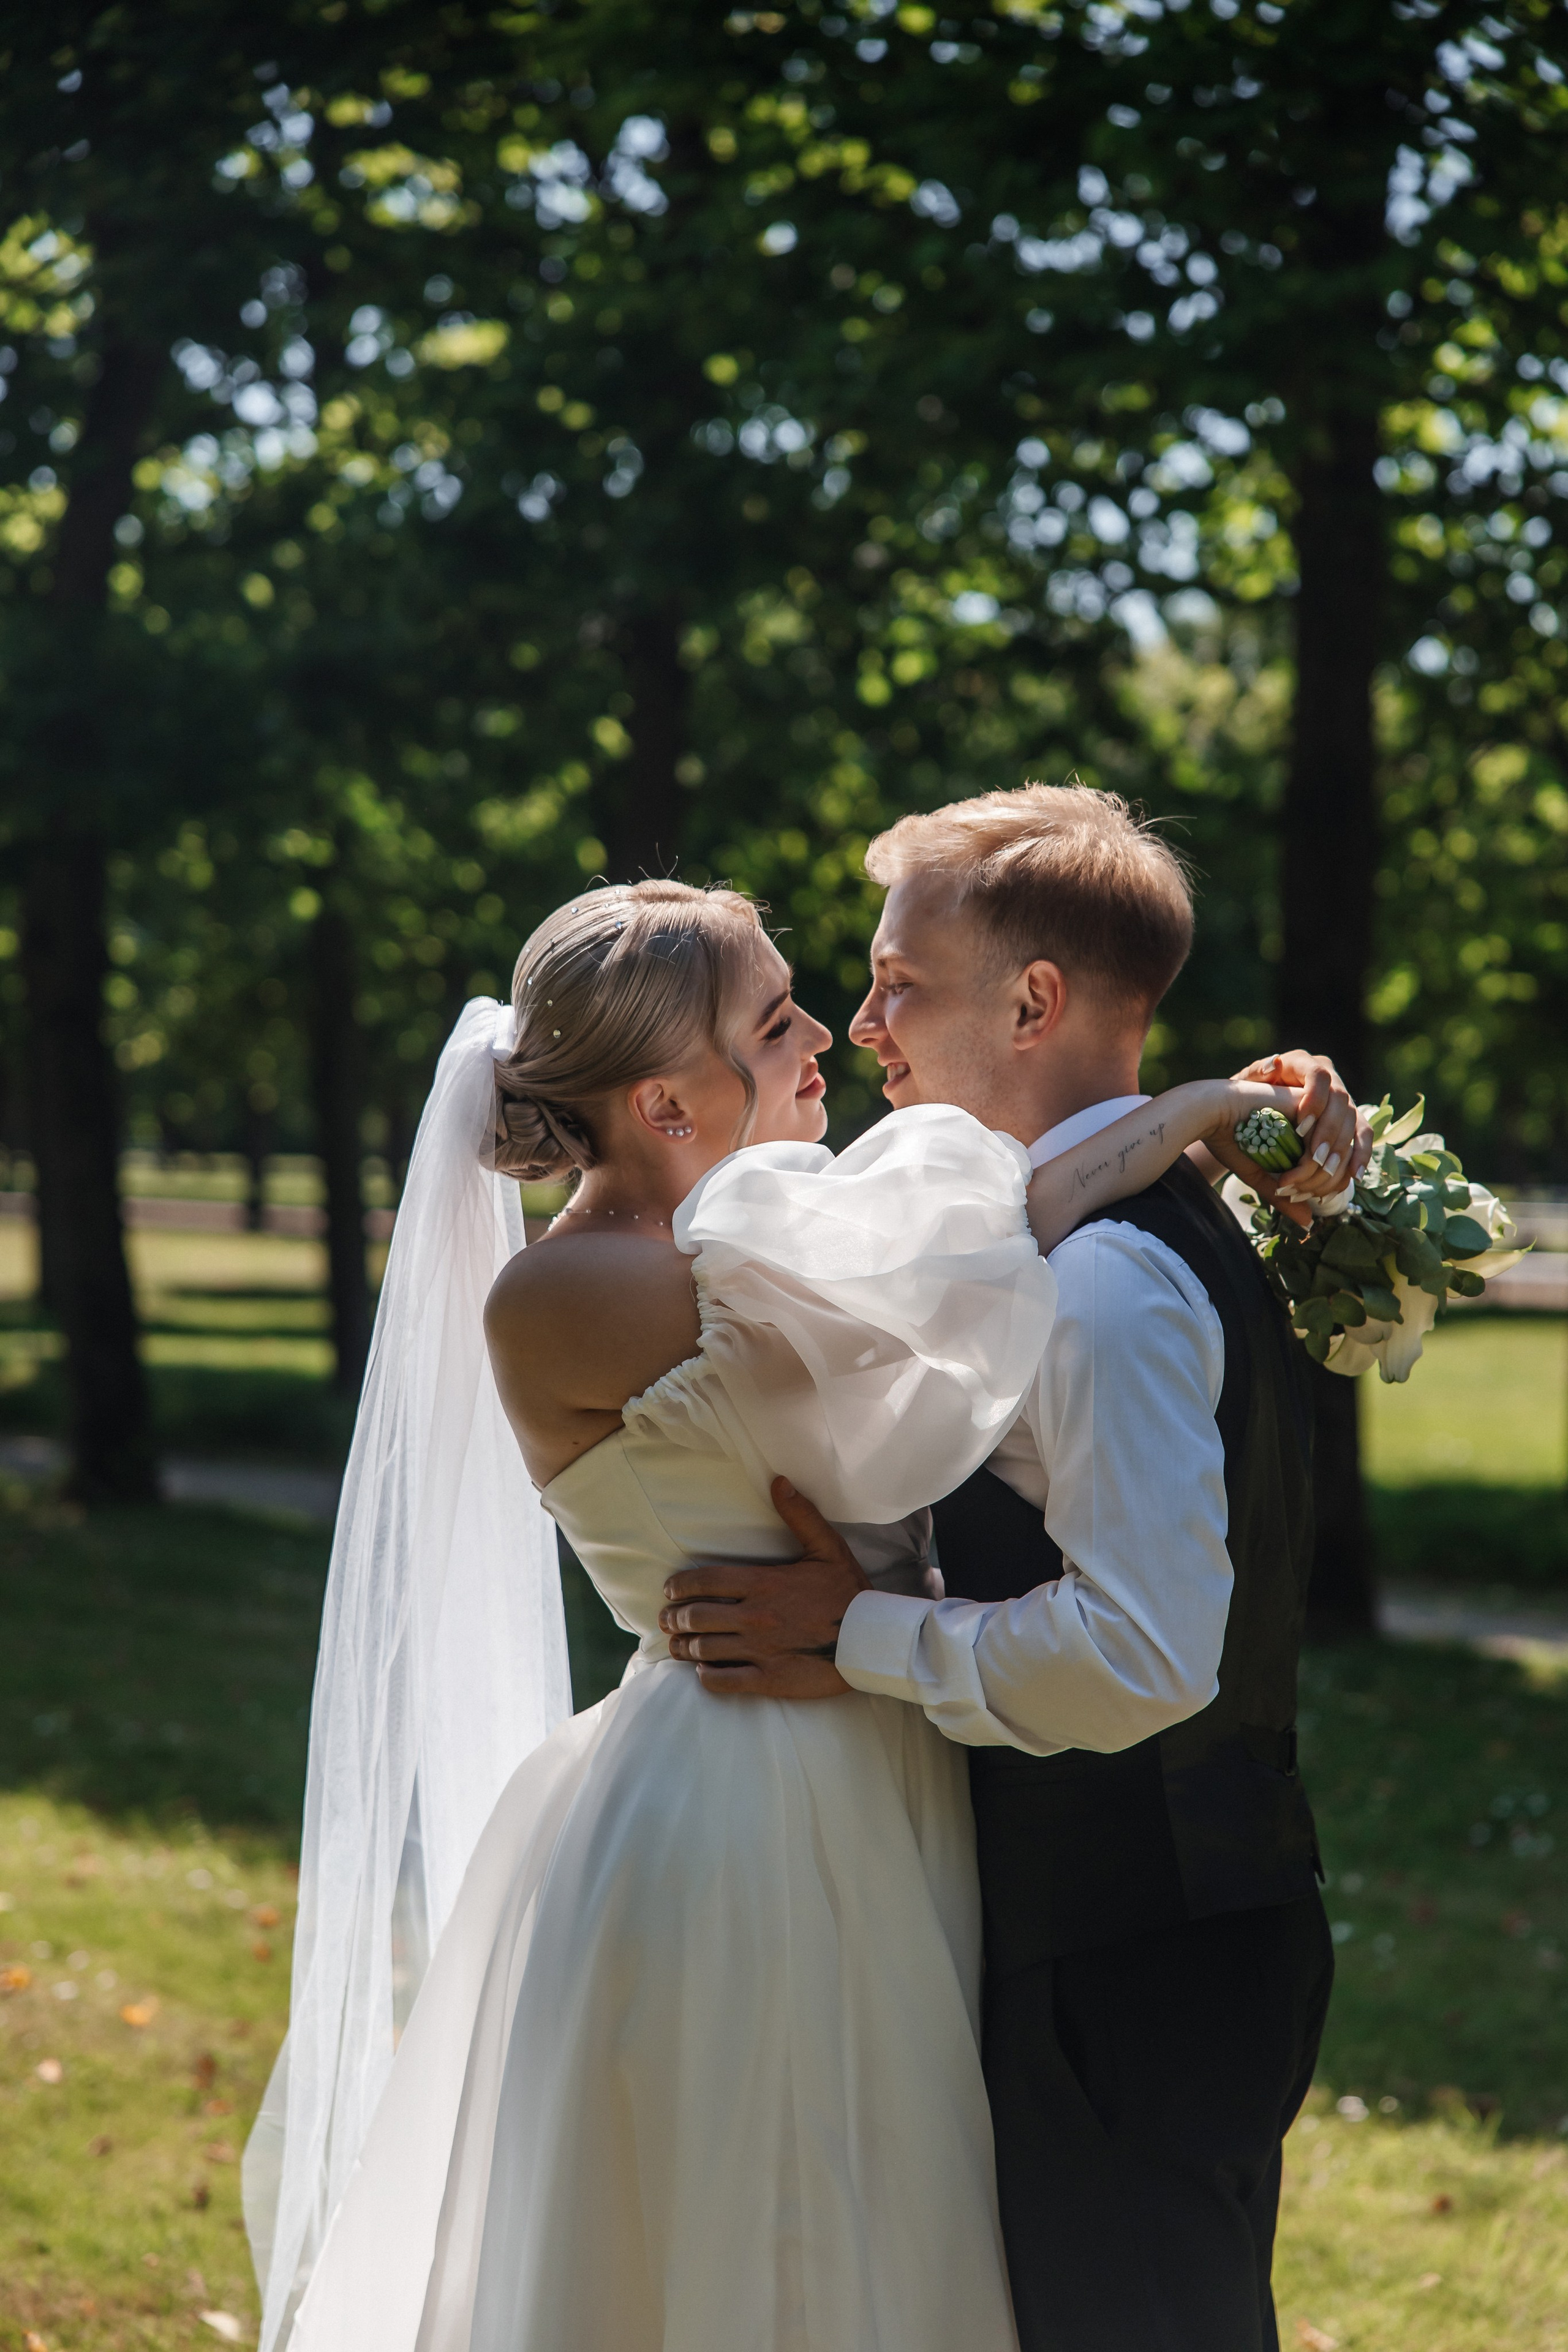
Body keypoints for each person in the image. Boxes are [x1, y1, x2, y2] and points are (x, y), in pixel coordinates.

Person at [247, 872, 1354, 2352]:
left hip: (876, 1763)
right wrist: (1203, 1112)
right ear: (664, 1101)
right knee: (765, 2234)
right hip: (741, 1799)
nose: (824, 1031)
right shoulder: (579, 1291)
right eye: (774, 1023)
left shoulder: (759, 1230)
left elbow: (977, 1247)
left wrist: (1221, 1138)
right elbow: (994, 1255)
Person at [661, 786, 1359, 2352]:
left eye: (897, 979)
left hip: (1128, 1956)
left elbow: (1141, 1654)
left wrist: (860, 1632)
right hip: (1164, 1921)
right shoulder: (1117, 1221)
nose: (864, 1023)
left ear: (1031, 1000)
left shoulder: (1105, 1285)